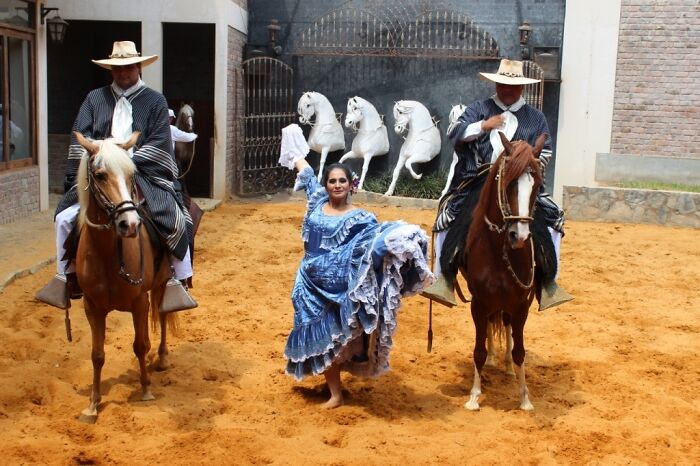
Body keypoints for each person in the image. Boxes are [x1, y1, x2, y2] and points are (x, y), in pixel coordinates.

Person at [279, 123, 433, 408]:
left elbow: (370, 246)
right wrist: (291, 135)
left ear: (352, 185)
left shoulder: (362, 218)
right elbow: (305, 170)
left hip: (340, 287)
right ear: (326, 186)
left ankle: (336, 394)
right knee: (318, 336)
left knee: (337, 341)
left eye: (342, 181)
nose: (336, 185)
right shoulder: (315, 202)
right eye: (332, 181)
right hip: (308, 285)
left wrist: (398, 239)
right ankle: (333, 390)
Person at [36, 41, 197, 312]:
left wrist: (126, 160)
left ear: (138, 67)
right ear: (110, 69)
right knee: (64, 218)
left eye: (129, 68)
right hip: (101, 174)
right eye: (117, 68)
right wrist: (102, 159)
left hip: (143, 172)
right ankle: (67, 276)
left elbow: (159, 142)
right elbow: (80, 136)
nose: (123, 73)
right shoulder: (94, 99)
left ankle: (176, 279)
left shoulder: (155, 100)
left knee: (176, 217)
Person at [421, 58, 573, 311]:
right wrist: (484, 125)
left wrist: (526, 164)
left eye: (512, 86)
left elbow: (545, 152)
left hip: (520, 182)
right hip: (481, 178)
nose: (507, 90)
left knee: (552, 217)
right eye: (502, 84)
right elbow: (454, 133)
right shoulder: (479, 108)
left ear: (522, 88)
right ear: (496, 84)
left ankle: (548, 282)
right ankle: (444, 279)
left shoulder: (535, 118)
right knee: (449, 216)